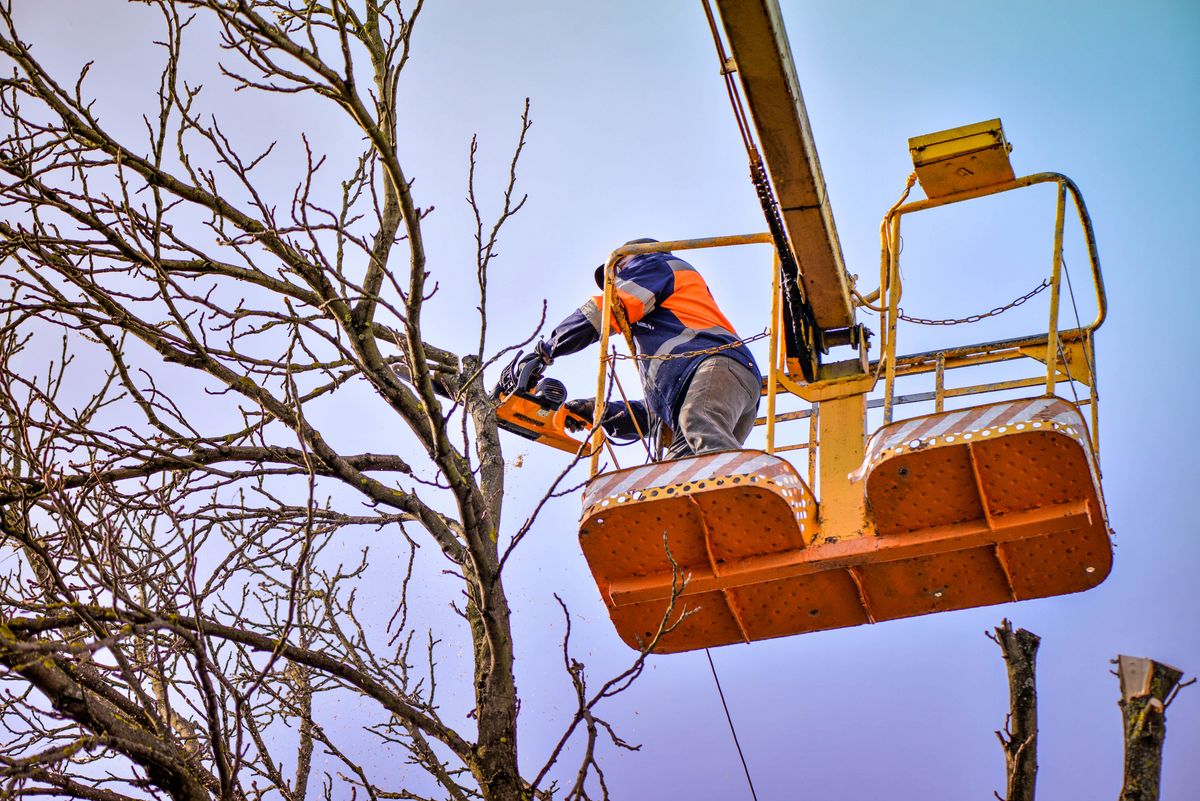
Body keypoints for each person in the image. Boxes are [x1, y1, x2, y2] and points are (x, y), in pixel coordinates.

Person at [516, 239, 761, 459]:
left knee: (696, 419)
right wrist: (596, 411)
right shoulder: (660, 340)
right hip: (723, 381)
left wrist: (546, 350)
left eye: (619, 268)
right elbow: (651, 416)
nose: (617, 278)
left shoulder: (658, 264)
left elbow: (604, 311)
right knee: (676, 477)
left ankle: (746, 498)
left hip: (718, 364)